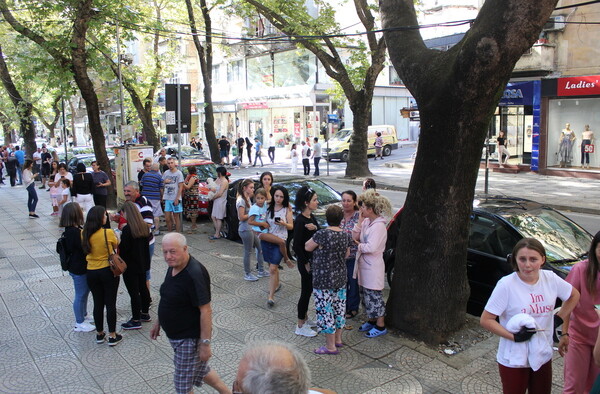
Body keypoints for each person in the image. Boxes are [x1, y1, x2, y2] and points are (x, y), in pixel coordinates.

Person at [480, 238, 580, 394]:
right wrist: (514, 337)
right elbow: (486, 320)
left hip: (542, 352)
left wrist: (558, 318)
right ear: (515, 260)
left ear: (542, 260)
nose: (527, 265)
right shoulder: (506, 285)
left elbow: (574, 295)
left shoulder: (550, 279)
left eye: (533, 259)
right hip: (514, 358)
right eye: (522, 259)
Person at [150, 233, 229, 394]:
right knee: (202, 371)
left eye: (172, 251)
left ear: (185, 249)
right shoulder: (174, 266)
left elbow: (206, 310)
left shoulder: (194, 274)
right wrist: (159, 321)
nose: (168, 256)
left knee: (182, 386)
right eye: (165, 252)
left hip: (187, 340)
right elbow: (168, 296)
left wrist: (205, 344)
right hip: (177, 335)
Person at [305, 205, 353, 355]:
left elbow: (307, 247)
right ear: (341, 219)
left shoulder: (322, 234)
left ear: (327, 219)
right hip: (340, 278)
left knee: (326, 311)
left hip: (323, 280)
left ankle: (330, 346)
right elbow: (347, 254)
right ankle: (338, 339)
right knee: (339, 309)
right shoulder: (346, 235)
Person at [558, 231, 600, 393]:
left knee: (593, 387)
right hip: (579, 337)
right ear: (594, 249)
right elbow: (568, 303)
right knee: (574, 385)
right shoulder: (581, 269)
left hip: (599, 340)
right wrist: (564, 333)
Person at [353, 189, 392, 338]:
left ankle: (380, 325)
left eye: (362, 206)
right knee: (365, 295)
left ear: (370, 209)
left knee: (374, 296)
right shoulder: (367, 222)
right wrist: (359, 222)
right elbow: (355, 235)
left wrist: (358, 245)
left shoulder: (379, 226)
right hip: (364, 265)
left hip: (373, 266)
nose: (360, 209)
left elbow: (371, 247)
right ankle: (371, 319)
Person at [82, 206, 122, 346]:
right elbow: (117, 243)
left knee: (98, 302)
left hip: (91, 271)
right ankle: (112, 334)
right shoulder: (107, 232)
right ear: (100, 218)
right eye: (105, 215)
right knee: (110, 303)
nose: (106, 217)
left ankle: (99, 333)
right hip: (107, 270)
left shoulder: (84, 233)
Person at [59, 202, 95, 332]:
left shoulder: (72, 229)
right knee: (80, 294)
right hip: (78, 268)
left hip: (77, 266)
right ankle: (79, 322)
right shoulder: (74, 232)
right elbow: (83, 248)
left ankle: (84, 315)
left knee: (84, 292)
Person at [260, 185, 295, 307]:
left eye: (281, 197)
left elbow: (291, 226)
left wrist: (283, 223)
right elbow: (262, 219)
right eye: (276, 196)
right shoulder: (268, 207)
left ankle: (271, 296)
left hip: (280, 240)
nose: (278, 199)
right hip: (268, 238)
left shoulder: (287, 209)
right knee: (271, 266)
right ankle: (277, 283)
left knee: (272, 269)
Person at [119, 201, 152, 330]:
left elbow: (124, 248)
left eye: (123, 213)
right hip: (143, 262)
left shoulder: (127, 229)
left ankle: (136, 319)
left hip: (131, 265)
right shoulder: (144, 226)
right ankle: (145, 313)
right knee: (143, 288)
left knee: (134, 292)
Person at [293, 186, 319, 337]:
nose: (317, 202)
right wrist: (305, 263)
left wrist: (315, 227)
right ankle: (300, 325)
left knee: (309, 291)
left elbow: (319, 233)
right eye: (314, 200)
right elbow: (296, 245)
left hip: (312, 262)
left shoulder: (312, 217)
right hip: (306, 263)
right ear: (306, 202)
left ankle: (306, 318)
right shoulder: (300, 220)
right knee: (305, 292)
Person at [237, 178, 266, 281]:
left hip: (251, 228)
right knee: (248, 252)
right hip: (245, 229)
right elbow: (241, 217)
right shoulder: (241, 200)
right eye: (251, 187)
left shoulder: (247, 198)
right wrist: (252, 213)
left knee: (260, 248)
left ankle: (261, 270)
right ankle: (247, 273)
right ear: (245, 188)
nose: (253, 189)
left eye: (253, 187)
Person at [340, 190, 360, 319]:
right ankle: (341, 306)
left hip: (353, 255)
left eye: (349, 201)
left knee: (353, 283)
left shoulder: (359, 217)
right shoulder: (338, 215)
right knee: (341, 283)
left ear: (354, 202)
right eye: (344, 200)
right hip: (339, 257)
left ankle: (352, 308)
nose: (346, 203)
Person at [140, 163, 164, 236]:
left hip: (145, 197)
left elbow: (141, 184)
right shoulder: (159, 177)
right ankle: (156, 230)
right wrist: (161, 197)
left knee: (146, 213)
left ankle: (146, 229)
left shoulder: (145, 175)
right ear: (157, 169)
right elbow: (161, 189)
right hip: (155, 197)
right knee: (156, 214)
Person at [162, 158, 184, 232]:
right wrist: (164, 181)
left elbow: (181, 186)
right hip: (167, 197)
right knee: (167, 218)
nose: (170, 165)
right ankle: (170, 232)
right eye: (168, 163)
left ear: (174, 163)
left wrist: (177, 198)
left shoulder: (179, 173)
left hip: (175, 197)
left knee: (176, 217)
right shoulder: (166, 173)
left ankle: (177, 233)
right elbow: (162, 183)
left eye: (171, 163)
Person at [209, 166, 229, 240]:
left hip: (221, 200)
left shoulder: (224, 181)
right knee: (213, 216)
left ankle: (217, 233)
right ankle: (217, 232)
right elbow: (213, 186)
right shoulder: (218, 179)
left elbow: (220, 193)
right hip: (216, 200)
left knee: (218, 217)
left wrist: (213, 197)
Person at [182, 166, 200, 234]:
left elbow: (188, 186)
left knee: (193, 210)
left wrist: (182, 183)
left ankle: (193, 225)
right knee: (190, 210)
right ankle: (193, 224)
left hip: (192, 196)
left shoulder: (193, 177)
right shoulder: (190, 177)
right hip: (189, 195)